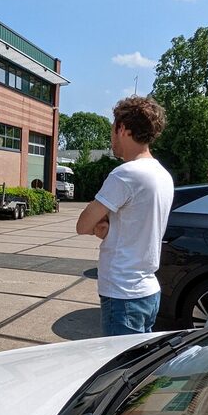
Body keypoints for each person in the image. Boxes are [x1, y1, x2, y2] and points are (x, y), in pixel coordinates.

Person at [76, 96, 174, 336]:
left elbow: (83, 224)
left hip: (123, 293)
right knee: (140, 357)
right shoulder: (162, 174)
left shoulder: (126, 174)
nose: (111, 137)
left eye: (112, 128)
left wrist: (98, 222)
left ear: (122, 129)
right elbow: (136, 225)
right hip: (148, 291)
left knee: (121, 360)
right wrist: (109, 228)